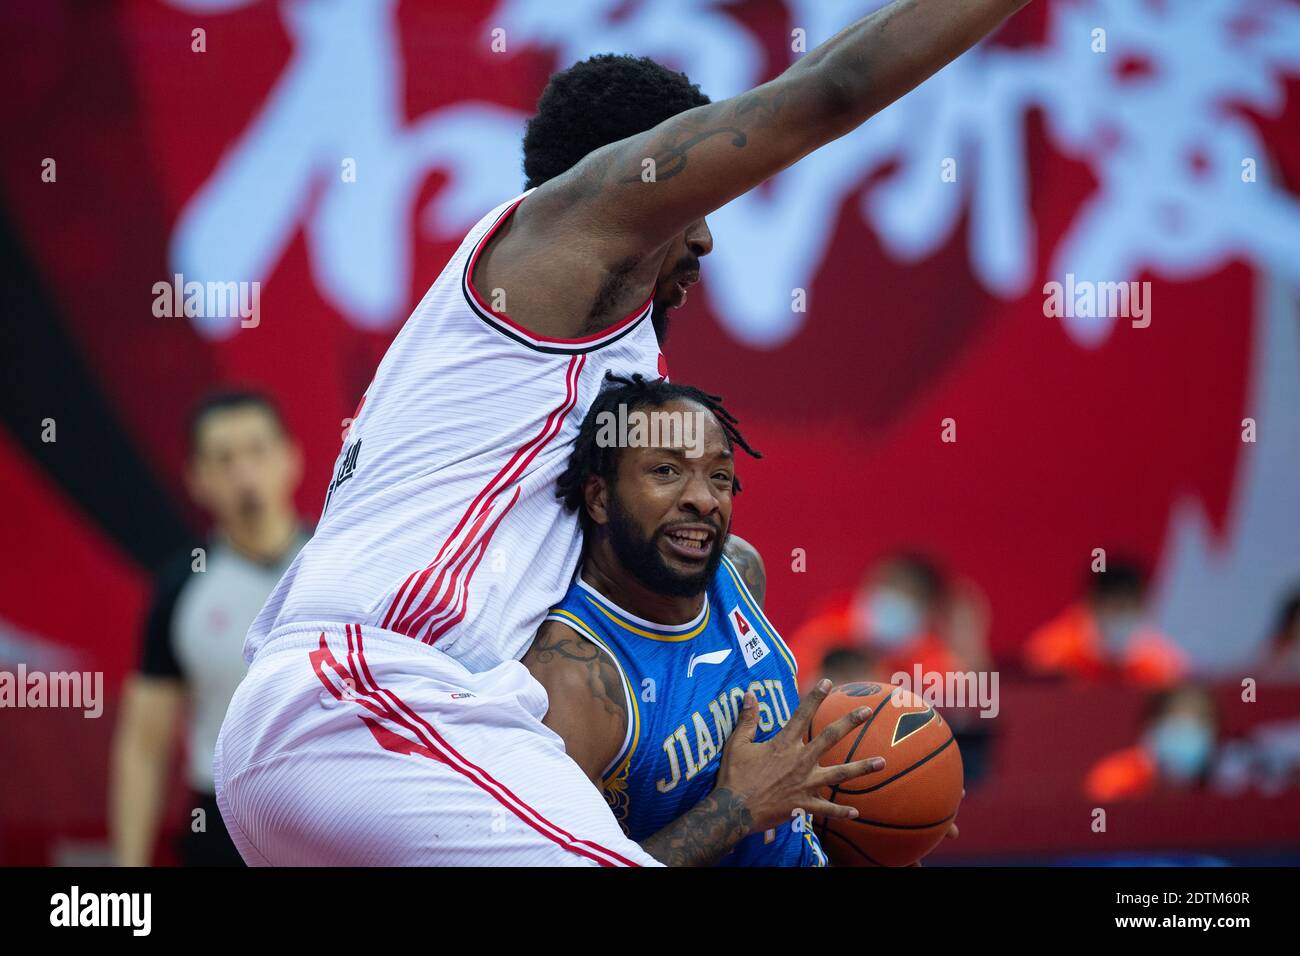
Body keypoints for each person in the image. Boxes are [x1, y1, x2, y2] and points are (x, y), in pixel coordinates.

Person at [215, 0, 1034, 866]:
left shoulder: (595, 353)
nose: (711, 237)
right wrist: (735, 810)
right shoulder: (559, 235)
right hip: (368, 696)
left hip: (387, 730)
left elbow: (667, 568)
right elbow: (832, 90)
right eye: (697, 203)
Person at [524, 374, 886, 866]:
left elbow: (779, 791)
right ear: (599, 498)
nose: (705, 499)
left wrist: (890, 820)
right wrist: (736, 810)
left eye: (719, 476)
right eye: (667, 471)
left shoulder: (738, 569)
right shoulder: (572, 679)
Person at [110, 390, 306, 866]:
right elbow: (144, 743)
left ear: (290, 459)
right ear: (197, 480)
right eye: (223, 459)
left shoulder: (341, 570)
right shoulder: (182, 588)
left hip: (332, 814)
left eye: (258, 451)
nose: (244, 474)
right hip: (221, 825)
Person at [1023, 560, 1186, 688]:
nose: (1120, 614)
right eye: (1113, 605)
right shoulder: (1053, 653)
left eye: (1127, 606)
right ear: (1092, 602)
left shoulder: (1161, 662)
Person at [1085, 684, 1220, 802]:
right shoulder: (1117, 778)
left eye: (1199, 720)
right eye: (1177, 720)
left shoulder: (1226, 781)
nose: (1187, 730)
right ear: (1151, 725)